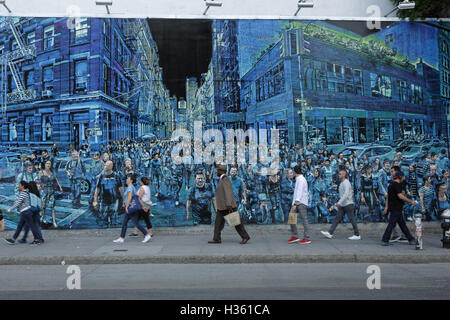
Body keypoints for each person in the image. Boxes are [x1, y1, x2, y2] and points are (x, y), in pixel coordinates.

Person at [208, 164, 250, 244]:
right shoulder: (222, 179)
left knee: (236, 222)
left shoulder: (225, 179)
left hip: (228, 206)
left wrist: (229, 205)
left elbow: (228, 192)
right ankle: (216, 238)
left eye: (218, 170)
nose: (217, 172)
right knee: (218, 223)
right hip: (223, 206)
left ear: (221, 171)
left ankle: (245, 236)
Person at [321, 170, 360, 240]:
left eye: (340, 174)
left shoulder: (346, 183)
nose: (338, 175)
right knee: (337, 218)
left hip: (348, 204)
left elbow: (346, 194)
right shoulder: (341, 183)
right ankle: (330, 233)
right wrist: (338, 203)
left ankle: (357, 235)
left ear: (344, 175)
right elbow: (341, 196)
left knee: (352, 219)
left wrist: (338, 203)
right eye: (338, 174)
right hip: (343, 205)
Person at [381, 171, 417, 246]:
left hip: (396, 207)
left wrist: (387, 207)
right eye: (403, 177)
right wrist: (411, 201)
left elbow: (389, 196)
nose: (404, 178)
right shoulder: (396, 184)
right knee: (391, 224)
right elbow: (400, 196)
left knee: (402, 224)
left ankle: (411, 239)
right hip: (396, 208)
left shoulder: (391, 184)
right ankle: (385, 240)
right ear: (400, 177)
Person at [113, 175, 151, 244]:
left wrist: (127, 207)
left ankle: (146, 234)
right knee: (124, 223)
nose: (126, 179)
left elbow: (130, 198)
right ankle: (121, 238)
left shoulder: (130, 187)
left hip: (131, 208)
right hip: (131, 208)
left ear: (131, 181)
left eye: (128, 179)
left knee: (135, 223)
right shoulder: (131, 187)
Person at [5, 181, 42, 245]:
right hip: (25, 212)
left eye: (20, 185)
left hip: (26, 212)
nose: (19, 186)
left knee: (31, 226)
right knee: (21, 226)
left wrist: (9, 209)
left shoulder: (23, 193)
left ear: (23, 186)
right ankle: (13, 239)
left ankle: (37, 239)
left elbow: (18, 203)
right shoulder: (26, 193)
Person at [287, 165, 311, 244]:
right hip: (298, 202)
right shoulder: (299, 179)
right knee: (292, 218)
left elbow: (299, 191)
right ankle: (295, 236)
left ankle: (306, 238)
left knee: (304, 220)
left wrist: (295, 203)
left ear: (295, 172)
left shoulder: (301, 180)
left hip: (301, 203)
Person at [38, 160, 63, 227]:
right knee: (43, 206)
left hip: (51, 190)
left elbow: (56, 179)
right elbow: (38, 181)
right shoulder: (41, 172)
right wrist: (39, 187)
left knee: (52, 207)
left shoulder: (52, 172)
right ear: (44, 164)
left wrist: (60, 187)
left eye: (50, 164)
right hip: (44, 190)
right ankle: (44, 218)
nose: (48, 165)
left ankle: (54, 221)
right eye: (47, 163)